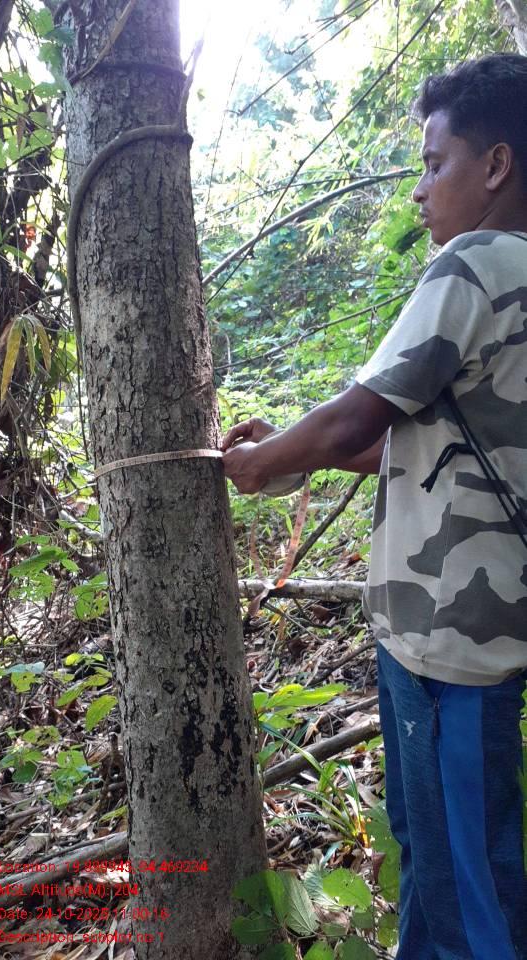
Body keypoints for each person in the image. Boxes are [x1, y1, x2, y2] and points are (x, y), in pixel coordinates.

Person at [221, 54, 527, 960]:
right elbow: (416, 439)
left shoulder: (477, 263)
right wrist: (286, 452)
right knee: (437, 856)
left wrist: (257, 465)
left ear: (497, 165)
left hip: (449, 643)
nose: (419, 192)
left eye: (434, 164)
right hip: (463, 633)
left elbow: (358, 415)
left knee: (468, 885)